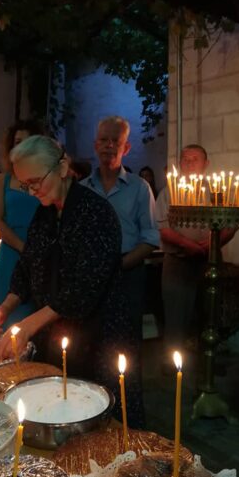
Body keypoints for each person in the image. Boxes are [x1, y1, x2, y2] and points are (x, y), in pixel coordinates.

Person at [0, 135, 145, 429]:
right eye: (26, 185)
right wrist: (6, 307)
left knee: (104, 420)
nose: (32, 191)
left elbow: (83, 288)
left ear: (62, 168)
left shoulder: (95, 213)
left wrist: (29, 325)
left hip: (101, 335)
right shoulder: (45, 212)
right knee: (61, 414)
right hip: (62, 334)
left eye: (36, 181)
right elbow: (28, 264)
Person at [81, 116, 159, 343]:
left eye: (116, 141)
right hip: (91, 273)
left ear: (126, 148)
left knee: (127, 338)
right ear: (95, 145)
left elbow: (150, 238)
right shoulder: (82, 190)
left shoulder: (139, 188)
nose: (109, 145)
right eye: (104, 139)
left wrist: (118, 266)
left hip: (128, 272)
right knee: (91, 337)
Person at [155, 145, 234, 369]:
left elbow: (231, 223)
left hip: (210, 262)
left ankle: (208, 361)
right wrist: (186, 244)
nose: (189, 163)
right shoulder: (168, 192)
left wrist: (212, 243)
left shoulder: (217, 190)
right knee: (176, 315)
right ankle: (173, 361)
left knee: (209, 313)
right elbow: (162, 226)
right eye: (185, 159)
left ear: (206, 164)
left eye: (195, 159)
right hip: (177, 262)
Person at [0, 121, 42, 328]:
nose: (22, 147)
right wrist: (22, 247)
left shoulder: (45, 180)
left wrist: (34, 251)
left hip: (41, 251)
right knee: (10, 318)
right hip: (11, 254)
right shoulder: (2, 180)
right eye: (18, 141)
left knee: (36, 315)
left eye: (28, 142)